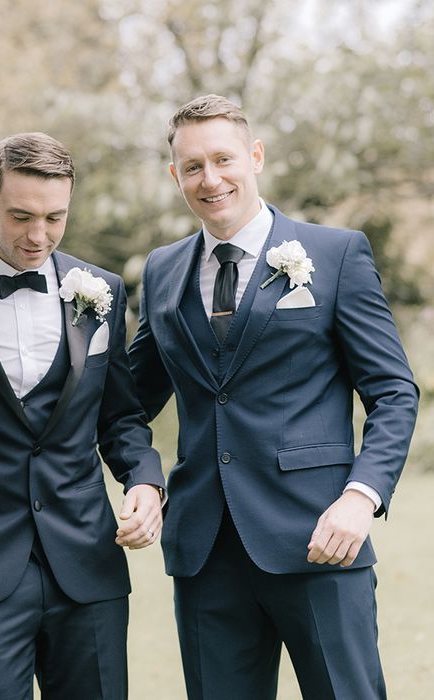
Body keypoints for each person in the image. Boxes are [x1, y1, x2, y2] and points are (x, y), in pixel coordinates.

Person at [128, 94, 418, 699]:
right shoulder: (161, 270)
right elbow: (127, 401)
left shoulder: (336, 255)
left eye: (224, 159)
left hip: (320, 538)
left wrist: (360, 499)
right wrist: (142, 477)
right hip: (205, 553)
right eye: (192, 166)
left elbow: (392, 390)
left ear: (255, 156)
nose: (211, 179)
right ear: (174, 175)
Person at [0, 132, 165, 699]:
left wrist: (144, 480)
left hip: (87, 563)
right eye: (22, 216)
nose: (39, 236)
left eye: (55, 218)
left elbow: (119, 416)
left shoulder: (102, 290)